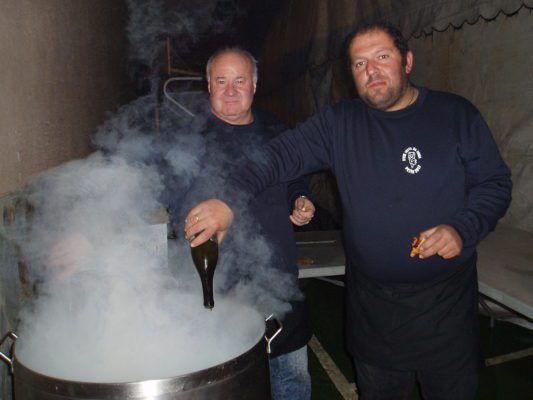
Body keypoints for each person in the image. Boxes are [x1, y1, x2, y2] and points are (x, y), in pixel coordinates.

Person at [184, 22, 513, 400]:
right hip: (374, 314)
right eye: (359, 63)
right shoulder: (339, 123)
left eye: (382, 57)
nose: (371, 70)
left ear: (407, 61)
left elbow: (494, 183)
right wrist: (228, 199)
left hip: (447, 311)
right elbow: (276, 156)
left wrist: (462, 228)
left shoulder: (455, 114)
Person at [164, 47, 314, 400]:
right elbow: (171, 198)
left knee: (292, 385)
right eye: (221, 81)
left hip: (279, 286)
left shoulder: (277, 131)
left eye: (240, 81)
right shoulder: (189, 138)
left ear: (254, 86)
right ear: (209, 86)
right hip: (221, 294)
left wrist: (300, 198)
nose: (231, 91)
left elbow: (295, 178)